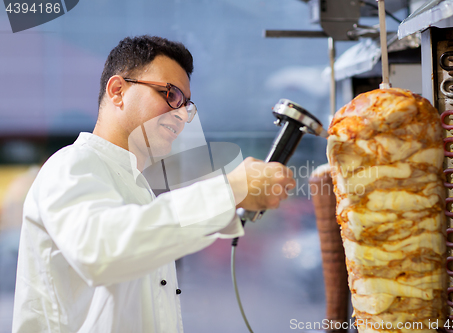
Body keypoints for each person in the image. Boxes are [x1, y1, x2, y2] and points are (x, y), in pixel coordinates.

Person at [12, 35, 295, 333]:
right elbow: (101, 251)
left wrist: (234, 199)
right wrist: (230, 189)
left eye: (187, 105)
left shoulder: (135, 185)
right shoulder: (70, 165)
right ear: (118, 90)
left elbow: (143, 239)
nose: (181, 115)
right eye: (170, 94)